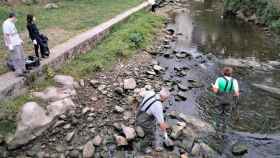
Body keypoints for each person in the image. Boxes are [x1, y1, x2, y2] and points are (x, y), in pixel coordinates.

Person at [136, 87, 170, 153]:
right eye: (166, 98)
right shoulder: (158, 106)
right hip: (143, 120)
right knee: (150, 135)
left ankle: (151, 140)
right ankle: (142, 148)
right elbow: (162, 124)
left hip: (139, 113)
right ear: (163, 97)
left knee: (153, 124)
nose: (166, 99)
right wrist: (166, 136)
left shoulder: (151, 93)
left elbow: (141, 95)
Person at [211, 67, 240, 131]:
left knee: (218, 113)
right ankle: (225, 127)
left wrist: (213, 87)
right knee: (227, 114)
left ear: (223, 73)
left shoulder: (219, 79)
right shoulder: (234, 81)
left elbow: (215, 91)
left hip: (219, 100)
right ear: (231, 73)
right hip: (229, 101)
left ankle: (216, 127)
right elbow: (237, 94)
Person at [3, 12, 27, 76]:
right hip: (13, 44)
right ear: (13, 17)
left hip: (17, 42)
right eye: (16, 18)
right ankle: (19, 72)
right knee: (16, 58)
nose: (16, 19)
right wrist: (10, 45)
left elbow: (15, 33)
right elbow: (6, 35)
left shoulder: (12, 23)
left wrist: (20, 40)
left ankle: (23, 69)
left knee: (22, 56)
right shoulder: (6, 24)